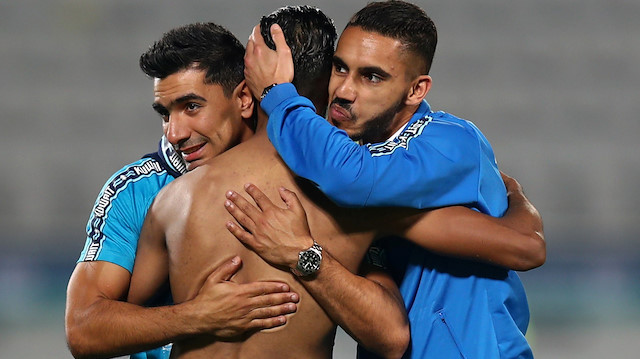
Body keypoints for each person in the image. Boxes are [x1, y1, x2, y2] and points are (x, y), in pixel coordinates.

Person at [129, 5, 544, 359]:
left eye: (372, 77)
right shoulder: (343, 190)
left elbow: (525, 247)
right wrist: (197, 315)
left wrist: (303, 252)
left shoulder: (442, 143)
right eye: (341, 69)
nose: (345, 90)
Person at [65, 23, 302, 359]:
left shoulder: (303, 179)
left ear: (244, 99)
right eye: (165, 113)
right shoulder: (135, 191)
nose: (174, 133)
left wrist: (309, 256)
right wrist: (199, 316)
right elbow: (82, 329)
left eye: (191, 106)